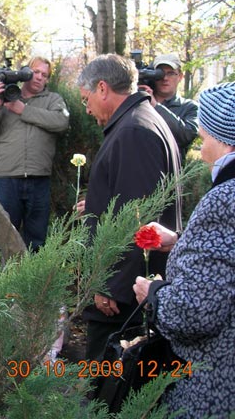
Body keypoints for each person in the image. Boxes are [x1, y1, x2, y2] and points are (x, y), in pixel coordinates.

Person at [133, 82, 235, 419]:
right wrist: (183, 240)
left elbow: (195, 314)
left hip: (215, 383)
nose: (202, 152)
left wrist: (154, 295)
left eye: (204, 140)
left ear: (226, 141)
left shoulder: (224, 199)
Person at [75, 54, 182, 362]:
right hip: (129, 289)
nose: (87, 109)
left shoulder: (134, 132)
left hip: (123, 300)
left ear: (102, 88)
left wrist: (110, 285)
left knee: (108, 383)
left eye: (86, 99)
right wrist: (97, 202)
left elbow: (138, 219)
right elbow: (129, 196)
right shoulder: (136, 122)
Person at [0, 56, 70, 252]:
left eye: (45, 75)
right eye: (36, 72)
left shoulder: (53, 100)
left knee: (37, 240)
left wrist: (23, 110)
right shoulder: (5, 99)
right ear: (25, 73)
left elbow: (61, 122)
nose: (40, 77)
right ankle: (7, 272)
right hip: (8, 178)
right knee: (5, 236)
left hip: (39, 179)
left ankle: (34, 272)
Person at [140, 53, 199, 161]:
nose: (165, 78)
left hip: (171, 169)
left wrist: (155, 106)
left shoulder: (189, 107)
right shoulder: (141, 103)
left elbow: (186, 136)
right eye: (159, 73)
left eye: (171, 73)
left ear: (180, 76)